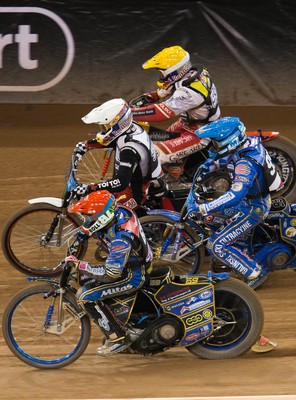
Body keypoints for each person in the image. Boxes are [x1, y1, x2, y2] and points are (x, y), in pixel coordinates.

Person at [187, 116, 282, 352]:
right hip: (254, 199)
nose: (212, 147)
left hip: (253, 207)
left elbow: (236, 195)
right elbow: (219, 162)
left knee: (216, 245)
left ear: (228, 141)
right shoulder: (247, 142)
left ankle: (254, 272)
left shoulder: (245, 164)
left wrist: (205, 206)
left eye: (215, 143)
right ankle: (238, 254)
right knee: (212, 221)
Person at [64, 190, 154, 356]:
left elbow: (110, 273)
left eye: (89, 217)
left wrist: (80, 265)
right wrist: (84, 234)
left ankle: (118, 338)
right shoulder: (118, 210)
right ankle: (119, 319)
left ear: (101, 217)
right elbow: (97, 224)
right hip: (131, 263)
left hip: (132, 275)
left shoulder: (121, 239)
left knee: (85, 296)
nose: (87, 220)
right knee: (85, 279)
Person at [130, 45, 221, 179]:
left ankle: (155, 190)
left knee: (153, 156)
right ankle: (176, 167)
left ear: (175, 72)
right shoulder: (193, 74)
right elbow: (171, 87)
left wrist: (129, 114)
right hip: (188, 123)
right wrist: (152, 96)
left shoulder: (189, 92)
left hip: (200, 133)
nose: (161, 76)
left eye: (162, 73)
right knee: (157, 139)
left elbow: (161, 112)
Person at [71, 98, 165, 209]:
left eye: (105, 127)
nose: (103, 130)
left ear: (118, 124)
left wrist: (90, 188)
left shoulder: (129, 150)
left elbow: (120, 182)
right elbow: (112, 140)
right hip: (134, 182)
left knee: (105, 215)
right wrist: (87, 145)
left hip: (135, 196)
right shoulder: (131, 128)